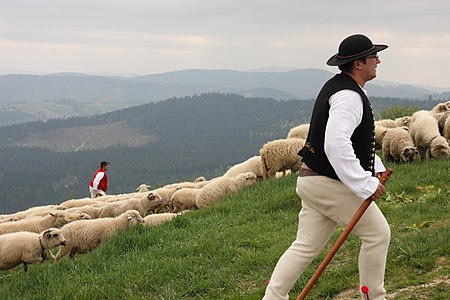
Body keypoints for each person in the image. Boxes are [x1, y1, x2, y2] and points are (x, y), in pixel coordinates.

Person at [263, 34, 390, 300]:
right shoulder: (348, 96)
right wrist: (364, 184)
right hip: (328, 183)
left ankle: (273, 297)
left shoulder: (340, 87)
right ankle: (373, 297)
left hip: (312, 180)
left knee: (304, 246)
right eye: (373, 56)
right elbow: (335, 143)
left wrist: (373, 165)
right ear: (358, 64)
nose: (378, 60)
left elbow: (354, 141)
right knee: (378, 234)